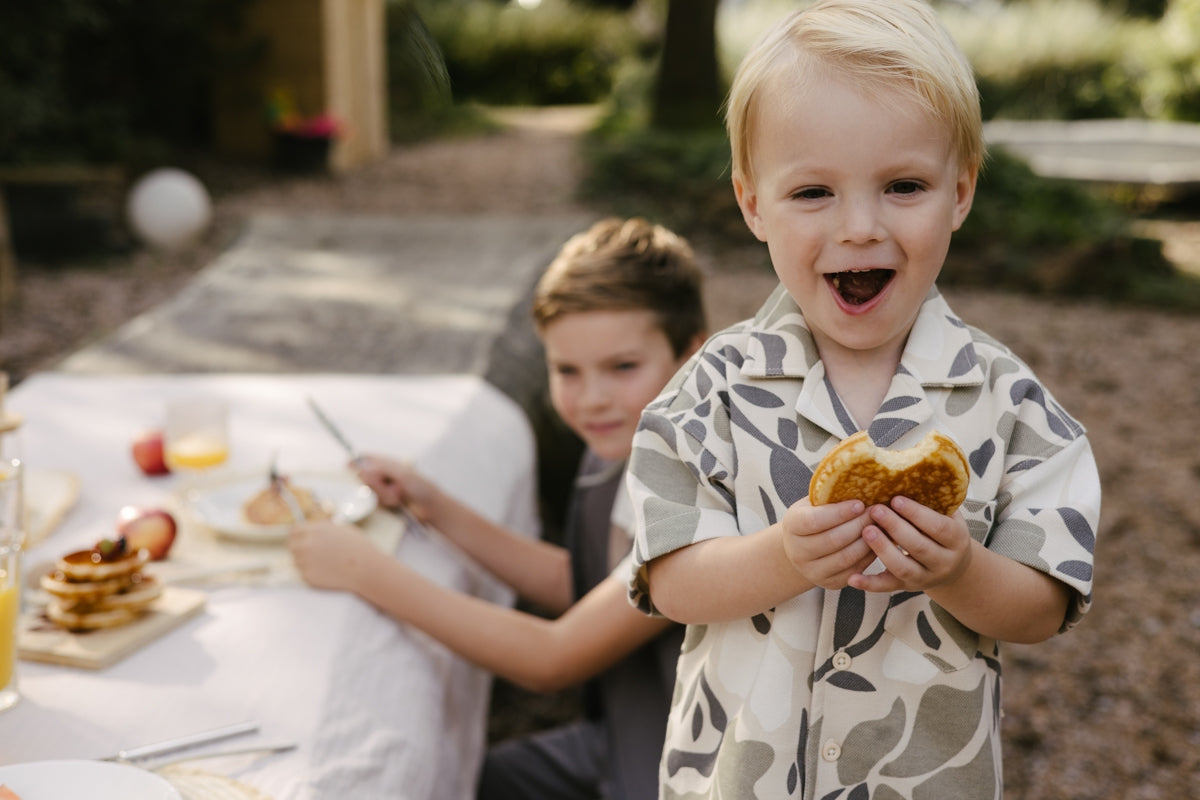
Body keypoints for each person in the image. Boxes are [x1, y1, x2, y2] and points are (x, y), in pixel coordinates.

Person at [624, 1, 1101, 798]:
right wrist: (782, 558)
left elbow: (1043, 605)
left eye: (903, 185)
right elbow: (671, 581)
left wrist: (960, 570)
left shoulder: (1012, 404)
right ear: (752, 205)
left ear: (960, 192)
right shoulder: (710, 391)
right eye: (813, 192)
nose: (859, 227)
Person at [289, 217, 708, 800]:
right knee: (465, 781)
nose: (591, 399)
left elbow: (553, 658)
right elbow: (593, 584)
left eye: (622, 367)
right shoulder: (619, 442)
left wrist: (364, 570)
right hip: (616, 735)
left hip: (675, 772)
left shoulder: (703, 490)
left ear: (693, 353)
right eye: (567, 371)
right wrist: (435, 506)